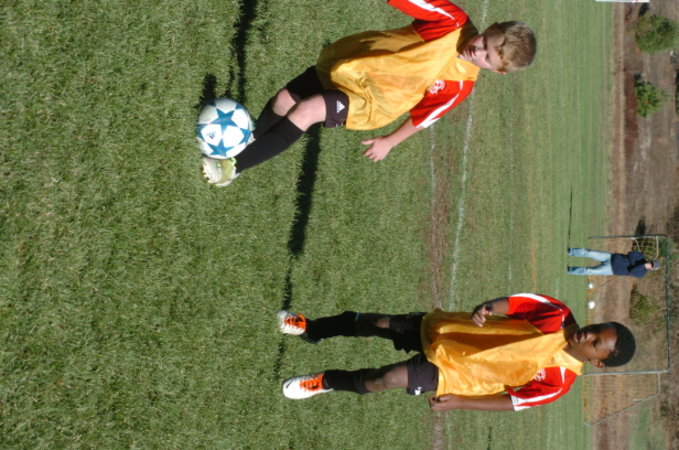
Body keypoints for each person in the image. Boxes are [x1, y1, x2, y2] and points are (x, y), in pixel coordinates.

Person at [202, 0, 537, 186]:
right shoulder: (451, 21)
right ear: (490, 27)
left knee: (305, 111)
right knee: (283, 100)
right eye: (484, 43)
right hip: (352, 64)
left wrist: (389, 141)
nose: (477, 51)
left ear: (497, 70)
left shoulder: (460, 86)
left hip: (372, 102)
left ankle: (233, 167)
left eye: (487, 58)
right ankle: (246, 142)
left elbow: (423, 118)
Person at [277, 293, 635, 411]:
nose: (588, 334)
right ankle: (312, 329)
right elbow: (517, 302)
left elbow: (512, 401)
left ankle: (324, 382)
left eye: (595, 343)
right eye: (596, 328)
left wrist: (460, 401)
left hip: (458, 374)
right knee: (380, 323)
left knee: (386, 378)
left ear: (598, 362)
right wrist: (488, 308)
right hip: (451, 332)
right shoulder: (558, 314)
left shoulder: (559, 382)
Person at [567, 247, 661, 278]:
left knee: (589, 271)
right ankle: (570, 251)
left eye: (652, 265)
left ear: (652, 269)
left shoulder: (641, 273)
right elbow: (630, 254)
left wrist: (642, 265)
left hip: (610, 270)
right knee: (589, 252)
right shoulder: (641, 256)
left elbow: (633, 270)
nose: (650, 264)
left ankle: (570, 270)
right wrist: (636, 263)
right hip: (610, 257)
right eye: (651, 262)